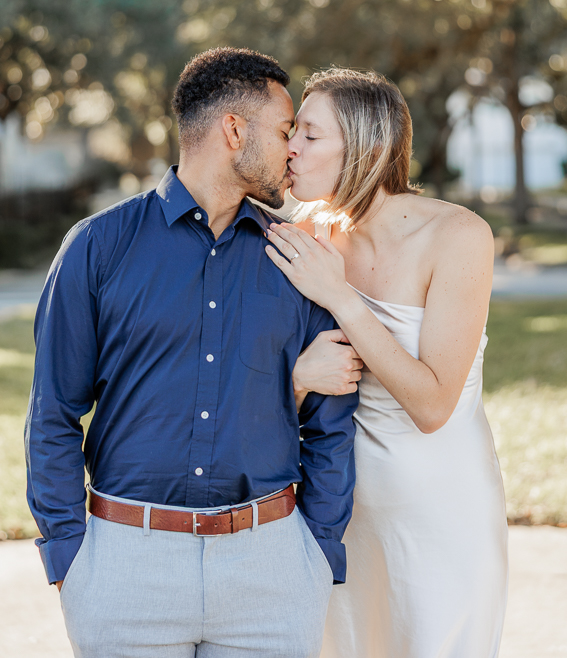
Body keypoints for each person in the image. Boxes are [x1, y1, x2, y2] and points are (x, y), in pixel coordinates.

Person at [25, 48, 360, 658]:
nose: (293, 149)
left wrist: (317, 550)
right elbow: (52, 414)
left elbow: (331, 421)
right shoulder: (97, 248)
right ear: (233, 130)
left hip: (272, 571)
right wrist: (69, 558)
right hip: (124, 572)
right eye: (286, 130)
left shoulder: (299, 262)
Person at [265, 67, 508, 658]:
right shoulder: (303, 235)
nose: (290, 147)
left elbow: (431, 404)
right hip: (337, 507)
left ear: (367, 147)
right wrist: (296, 380)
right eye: (292, 131)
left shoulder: (458, 235)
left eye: (310, 136)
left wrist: (341, 296)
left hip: (440, 508)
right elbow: (263, 369)